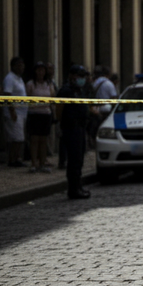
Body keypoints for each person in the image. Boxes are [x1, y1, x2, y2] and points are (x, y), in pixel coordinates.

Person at [56, 65, 91, 199]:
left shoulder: (79, 90)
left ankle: (78, 186)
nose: (82, 79)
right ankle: (73, 189)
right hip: (71, 128)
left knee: (79, 159)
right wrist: (63, 125)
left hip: (80, 128)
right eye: (80, 76)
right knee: (74, 160)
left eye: (83, 76)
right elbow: (59, 110)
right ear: (72, 76)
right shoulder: (65, 91)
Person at [25, 62, 55, 173]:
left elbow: (52, 97)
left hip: (45, 114)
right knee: (34, 139)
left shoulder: (49, 84)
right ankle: (34, 163)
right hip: (34, 114)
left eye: (42, 70)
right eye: (38, 70)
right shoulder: (30, 84)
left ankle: (42, 163)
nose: (40, 72)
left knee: (43, 140)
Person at [2, 57, 28, 167]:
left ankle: (17, 157)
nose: (21, 67)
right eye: (19, 65)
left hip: (22, 113)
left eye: (22, 65)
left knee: (19, 138)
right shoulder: (10, 78)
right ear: (13, 66)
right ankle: (12, 159)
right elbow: (7, 95)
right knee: (16, 138)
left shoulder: (19, 78)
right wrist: (12, 111)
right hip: (14, 112)